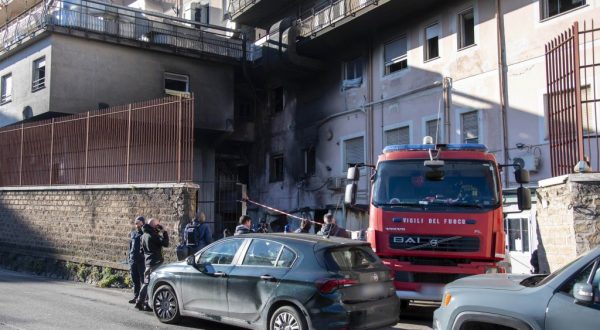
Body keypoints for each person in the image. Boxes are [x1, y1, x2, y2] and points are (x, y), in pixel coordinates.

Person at [135, 218, 169, 311]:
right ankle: (143, 302)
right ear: (154, 226)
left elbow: (141, 251)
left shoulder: (143, 235)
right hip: (156, 262)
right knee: (151, 283)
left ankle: (141, 302)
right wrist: (164, 232)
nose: (159, 227)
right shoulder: (153, 235)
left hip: (148, 262)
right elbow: (166, 243)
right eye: (157, 225)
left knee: (147, 282)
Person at [127, 216, 145, 304]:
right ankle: (136, 296)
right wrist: (129, 258)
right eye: (136, 223)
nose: (136, 224)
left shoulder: (145, 233)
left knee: (143, 280)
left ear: (142, 223)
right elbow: (130, 246)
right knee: (135, 280)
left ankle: (144, 299)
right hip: (133, 260)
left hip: (141, 260)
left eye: (138, 222)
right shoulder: (133, 233)